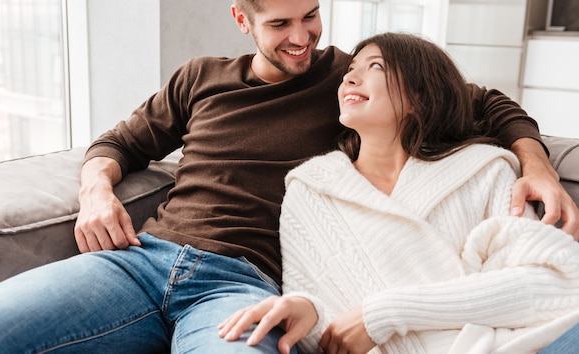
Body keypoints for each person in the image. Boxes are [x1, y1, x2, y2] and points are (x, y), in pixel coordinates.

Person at [0, 0, 576, 352]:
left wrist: (537, 166)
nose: (303, 37)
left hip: (243, 287)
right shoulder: (200, 78)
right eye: (280, 24)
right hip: (139, 262)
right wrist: (95, 189)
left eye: (311, 15)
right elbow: (118, 142)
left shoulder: (351, 84)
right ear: (241, 20)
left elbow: (487, 103)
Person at [218, 32, 579, 354]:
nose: (350, 76)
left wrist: (387, 313)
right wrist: (308, 312)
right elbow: (329, 332)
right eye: (351, 69)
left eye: (374, 66)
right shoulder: (309, 191)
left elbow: (556, 285)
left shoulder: (484, 170)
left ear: (421, 95)